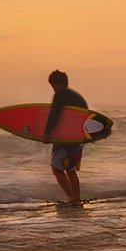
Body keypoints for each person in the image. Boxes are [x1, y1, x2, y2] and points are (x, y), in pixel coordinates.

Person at [43, 70, 89, 204]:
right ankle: (76, 198)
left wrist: (47, 133)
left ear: (55, 83)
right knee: (71, 169)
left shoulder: (60, 95)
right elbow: (85, 118)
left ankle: (71, 198)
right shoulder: (77, 97)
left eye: (52, 85)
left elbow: (55, 114)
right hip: (77, 138)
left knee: (57, 168)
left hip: (63, 138)